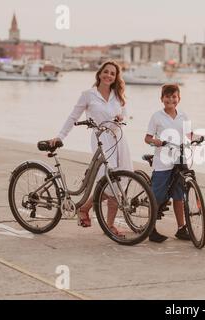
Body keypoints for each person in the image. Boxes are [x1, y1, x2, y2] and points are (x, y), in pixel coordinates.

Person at [48, 60, 133, 236]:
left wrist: (120, 118)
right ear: (99, 73)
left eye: (112, 73)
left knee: (119, 183)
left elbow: (126, 116)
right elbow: (73, 117)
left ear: (116, 77)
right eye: (106, 72)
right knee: (108, 182)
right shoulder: (88, 95)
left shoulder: (118, 95)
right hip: (101, 140)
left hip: (119, 140)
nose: (109, 75)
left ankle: (87, 210)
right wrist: (60, 137)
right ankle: (107, 225)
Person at [144, 84, 192, 243]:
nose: (170, 99)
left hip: (179, 160)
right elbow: (147, 138)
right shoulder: (156, 116)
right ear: (162, 99)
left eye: (174, 97)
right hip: (162, 163)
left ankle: (181, 228)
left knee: (179, 196)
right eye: (167, 96)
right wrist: (155, 142)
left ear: (179, 99)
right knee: (156, 197)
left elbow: (189, 135)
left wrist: (198, 139)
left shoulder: (184, 116)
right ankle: (151, 229)